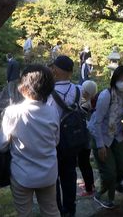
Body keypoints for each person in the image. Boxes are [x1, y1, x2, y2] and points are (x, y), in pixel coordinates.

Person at [0, 64, 61, 217]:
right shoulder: (53, 111)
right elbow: (55, 141)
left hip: (22, 174)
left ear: (23, 86)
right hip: (48, 173)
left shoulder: (13, 112)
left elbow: (1, 145)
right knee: (51, 211)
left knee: (23, 213)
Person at [88, 66, 123, 208]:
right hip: (101, 136)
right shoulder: (106, 95)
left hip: (117, 134)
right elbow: (97, 122)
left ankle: (110, 185)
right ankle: (108, 197)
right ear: (115, 80)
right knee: (109, 172)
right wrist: (100, 145)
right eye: (121, 80)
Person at [47, 55, 79, 217]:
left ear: (57, 70)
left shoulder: (49, 93)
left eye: (54, 67)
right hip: (73, 140)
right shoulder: (77, 89)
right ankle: (70, 209)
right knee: (70, 175)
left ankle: (59, 210)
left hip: (55, 142)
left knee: (54, 178)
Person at [77, 80, 98, 198]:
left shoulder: (86, 105)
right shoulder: (92, 102)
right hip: (88, 138)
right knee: (85, 162)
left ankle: (89, 188)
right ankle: (90, 183)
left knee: (83, 162)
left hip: (84, 138)